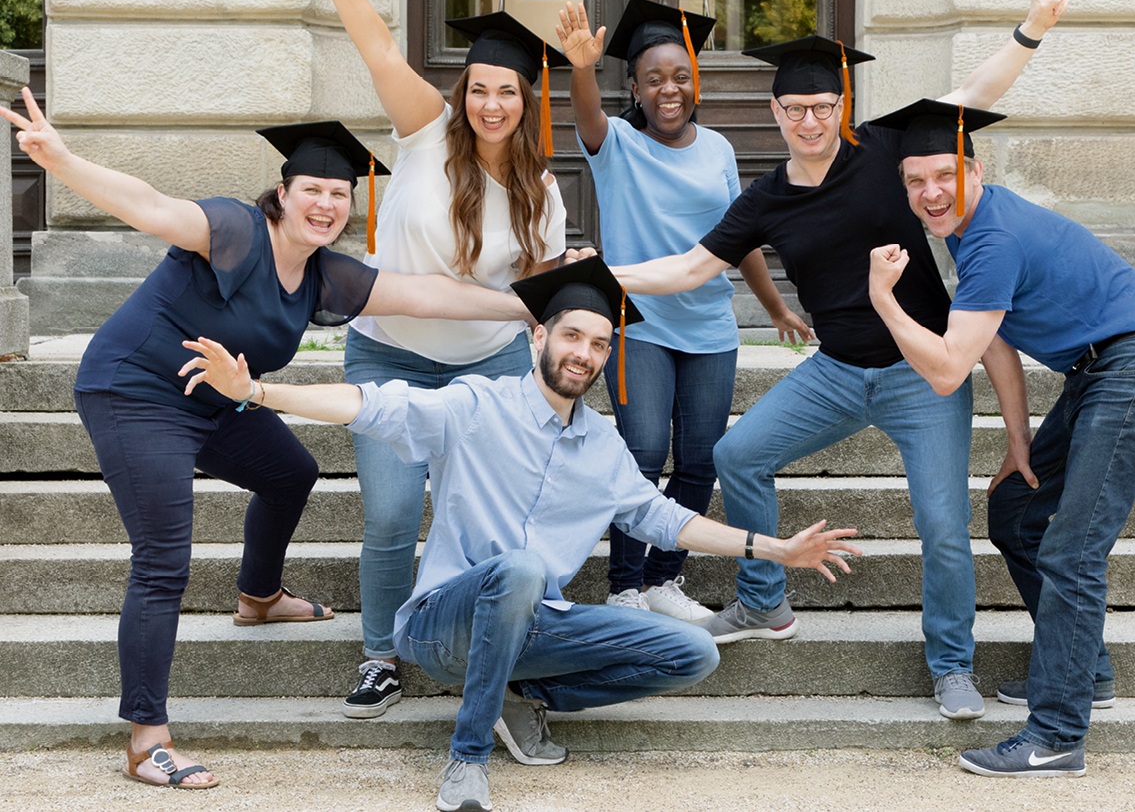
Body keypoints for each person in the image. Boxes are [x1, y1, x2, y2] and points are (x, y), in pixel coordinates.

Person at [179, 257, 862, 812]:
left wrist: (775, 550)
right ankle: (467, 758)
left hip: (535, 626)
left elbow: (665, 520)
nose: (585, 354)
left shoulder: (603, 445)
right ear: (539, 338)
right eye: (572, 337)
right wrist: (259, 393)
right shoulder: (476, 405)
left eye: (600, 344)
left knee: (692, 652)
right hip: (439, 624)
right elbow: (372, 404)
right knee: (524, 568)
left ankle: (519, 697)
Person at [1, 91, 536, 789]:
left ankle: (257, 597)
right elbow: (150, 205)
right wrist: (63, 160)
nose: (326, 203)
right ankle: (146, 739)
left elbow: (429, 295)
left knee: (290, 472)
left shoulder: (323, 275)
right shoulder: (234, 227)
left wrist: (534, 304)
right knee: (163, 557)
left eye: (339, 194)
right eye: (312, 189)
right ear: (281, 194)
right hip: (134, 393)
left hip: (215, 397)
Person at [606, 0, 1067, 721]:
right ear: (777, 112)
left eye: (824, 105)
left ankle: (951, 663)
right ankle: (764, 601)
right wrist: (599, 278)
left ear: (840, 103)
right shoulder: (765, 200)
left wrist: (1031, 29)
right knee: (736, 455)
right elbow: (689, 269)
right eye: (797, 109)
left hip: (923, 375)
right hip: (836, 370)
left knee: (944, 524)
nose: (811, 120)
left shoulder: (890, 156)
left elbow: (973, 95)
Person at [285, 0, 573, 720]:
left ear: (525, 99)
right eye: (479, 88)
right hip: (391, 359)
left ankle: (480, 641)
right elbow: (378, 48)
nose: (490, 104)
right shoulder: (424, 134)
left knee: (484, 517)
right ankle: (382, 652)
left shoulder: (541, 194)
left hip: (491, 369)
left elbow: (540, 294)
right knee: (388, 514)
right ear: (465, 93)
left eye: (506, 92)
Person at [867, 98, 1135, 777]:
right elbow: (998, 343)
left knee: (1073, 549)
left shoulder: (991, 239)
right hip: (1099, 371)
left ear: (974, 171)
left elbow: (951, 367)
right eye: (915, 181)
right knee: (1016, 512)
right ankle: (1083, 670)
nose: (930, 194)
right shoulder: (971, 223)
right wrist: (1019, 440)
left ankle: (1056, 734)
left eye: (944, 176)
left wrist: (885, 301)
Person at [555, 0, 808, 622]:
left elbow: (737, 235)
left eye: (681, 76)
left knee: (699, 458)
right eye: (654, 80)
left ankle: (665, 580)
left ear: (696, 81)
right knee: (640, 454)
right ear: (636, 90)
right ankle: (624, 585)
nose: (670, 90)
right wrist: (581, 67)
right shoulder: (614, 145)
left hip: (709, 325)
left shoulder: (719, 149)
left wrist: (775, 305)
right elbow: (586, 117)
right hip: (637, 323)